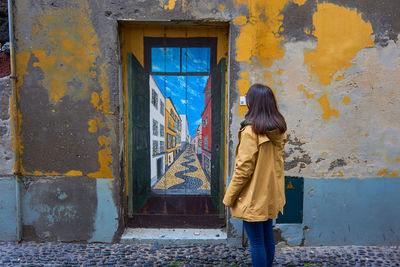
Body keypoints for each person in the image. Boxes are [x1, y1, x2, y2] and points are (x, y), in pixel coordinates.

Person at [223, 84, 287, 267]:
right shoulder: (278, 130)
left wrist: (229, 198)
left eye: (248, 99)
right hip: (270, 193)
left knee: (256, 241)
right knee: (267, 235)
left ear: (253, 103)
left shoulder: (251, 132)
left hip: (253, 195)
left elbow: (243, 170)